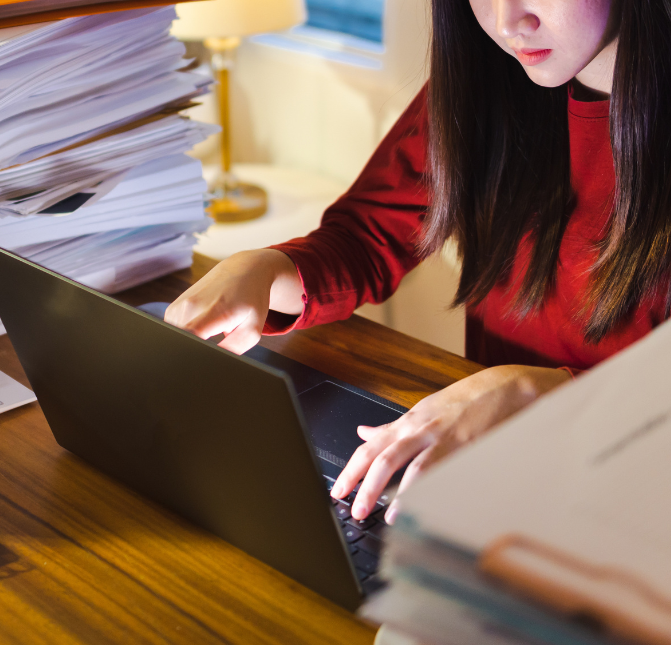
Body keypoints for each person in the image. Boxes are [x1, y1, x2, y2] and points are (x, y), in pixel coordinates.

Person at [165, 0, 671, 524]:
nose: (506, 22)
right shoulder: (493, 77)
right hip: (500, 478)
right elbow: (370, 233)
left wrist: (550, 391)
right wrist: (268, 271)